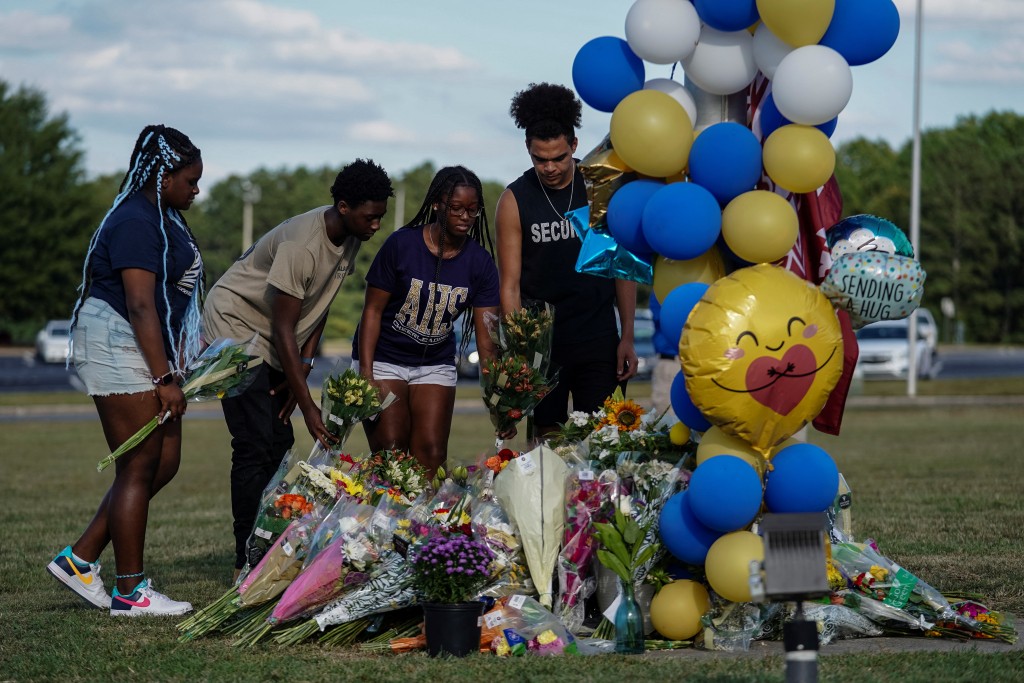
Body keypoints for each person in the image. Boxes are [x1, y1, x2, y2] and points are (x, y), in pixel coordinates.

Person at [202, 159, 393, 576]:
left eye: (380, 215)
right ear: (343, 206)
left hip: (274, 334)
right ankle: (245, 558)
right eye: (370, 216)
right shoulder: (302, 245)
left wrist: (304, 368)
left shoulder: (350, 235)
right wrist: (308, 405)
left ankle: (269, 543)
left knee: (278, 441)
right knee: (254, 442)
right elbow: (284, 326)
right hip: (235, 326)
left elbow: (319, 304)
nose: (376, 224)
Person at [48, 125, 204, 616]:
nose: (196, 190)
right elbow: (139, 304)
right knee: (137, 465)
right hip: (118, 338)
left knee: (164, 460)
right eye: (190, 180)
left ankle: (80, 559)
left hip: (140, 341)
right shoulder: (137, 219)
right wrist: (164, 379)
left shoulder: (164, 215)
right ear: (163, 175)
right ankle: (130, 592)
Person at [495, 82, 638, 442]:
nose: (550, 167)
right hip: (544, 347)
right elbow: (509, 284)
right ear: (528, 151)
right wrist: (519, 351)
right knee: (549, 446)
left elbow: (620, 264)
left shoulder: (600, 186)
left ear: (574, 145)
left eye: (558, 157)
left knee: (602, 440)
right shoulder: (514, 199)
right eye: (540, 159)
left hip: (598, 337)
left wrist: (629, 336)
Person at [352, 166, 504, 476]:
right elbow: (371, 312)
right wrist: (366, 374)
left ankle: (423, 525)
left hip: (434, 362)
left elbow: (487, 340)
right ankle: (388, 522)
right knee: (392, 451)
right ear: (437, 204)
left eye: (472, 211)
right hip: (384, 358)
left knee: (432, 454)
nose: (465, 217)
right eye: (456, 208)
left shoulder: (480, 262)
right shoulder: (402, 245)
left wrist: (498, 398)